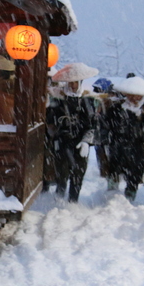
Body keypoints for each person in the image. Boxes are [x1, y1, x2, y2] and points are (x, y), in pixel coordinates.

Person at [99, 76, 144, 201]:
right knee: (113, 173)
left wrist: (138, 129)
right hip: (117, 148)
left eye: (137, 96)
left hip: (137, 150)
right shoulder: (116, 109)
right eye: (131, 95)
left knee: (134, 177)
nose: (133, 98)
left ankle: (130, 201)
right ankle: (109, 199)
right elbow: (106, 126)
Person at [46, 63, 98, 202]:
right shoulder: (58, 99)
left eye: (75, 82)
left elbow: (92, 124)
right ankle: (57, 201)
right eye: (70, 82)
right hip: (62, 142)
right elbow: (50, 121)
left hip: (80, 142)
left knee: (78, 174)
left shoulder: (87, 100)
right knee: (61, 174)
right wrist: (54, 137)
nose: (73, 85)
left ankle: (73, 202)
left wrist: (87, 141)